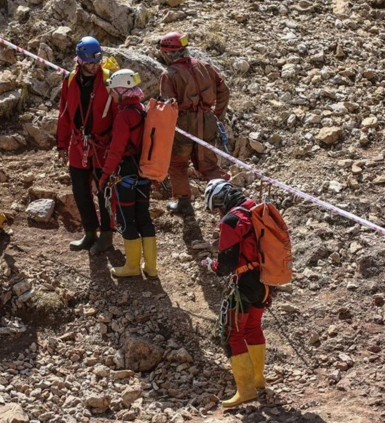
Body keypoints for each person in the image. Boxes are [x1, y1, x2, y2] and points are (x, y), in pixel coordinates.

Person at [204, 179, 270, 408]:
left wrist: (211, 265)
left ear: (222, 201)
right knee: (252, 328)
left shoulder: (231, 220)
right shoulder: (255, 208)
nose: (217, 213)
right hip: (265, 281)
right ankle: (258, 379)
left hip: (244, 283)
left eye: (217, 208)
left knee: (232, 335)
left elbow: (225, 266)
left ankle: (246, 390)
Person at [57, 37, 118, 254]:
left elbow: (118, 115)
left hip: (103, 144)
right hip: (78, 143)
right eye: (90, 62)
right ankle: (90, 232)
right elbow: (64, 112)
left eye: (97, 61)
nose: (95, 66)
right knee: (80, 190)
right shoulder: (70, 79)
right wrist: (62, 144)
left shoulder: (109, 79)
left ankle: (107, 235)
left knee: (104, 190)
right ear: (80, 61)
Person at [158, 31, 230, 216]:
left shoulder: (169, 74)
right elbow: (224, 90)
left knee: (177, 163)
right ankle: (226, 206)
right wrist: (217, 116)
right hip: (207, 122)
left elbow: (167, 106)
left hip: (183, 125)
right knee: (209, 165)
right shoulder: (205, 66)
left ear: (169, 53)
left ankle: (184, 204)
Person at [98, 69, 158, 278]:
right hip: (144, 173)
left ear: (122, 91)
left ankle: (132, 266)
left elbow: (116, 150)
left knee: (126, 220)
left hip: (126, 175)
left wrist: (105, 175)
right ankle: (151, 268)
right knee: (144, 218)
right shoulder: (142, 109)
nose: (111, 95)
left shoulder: (124, 115)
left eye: (113, 91)